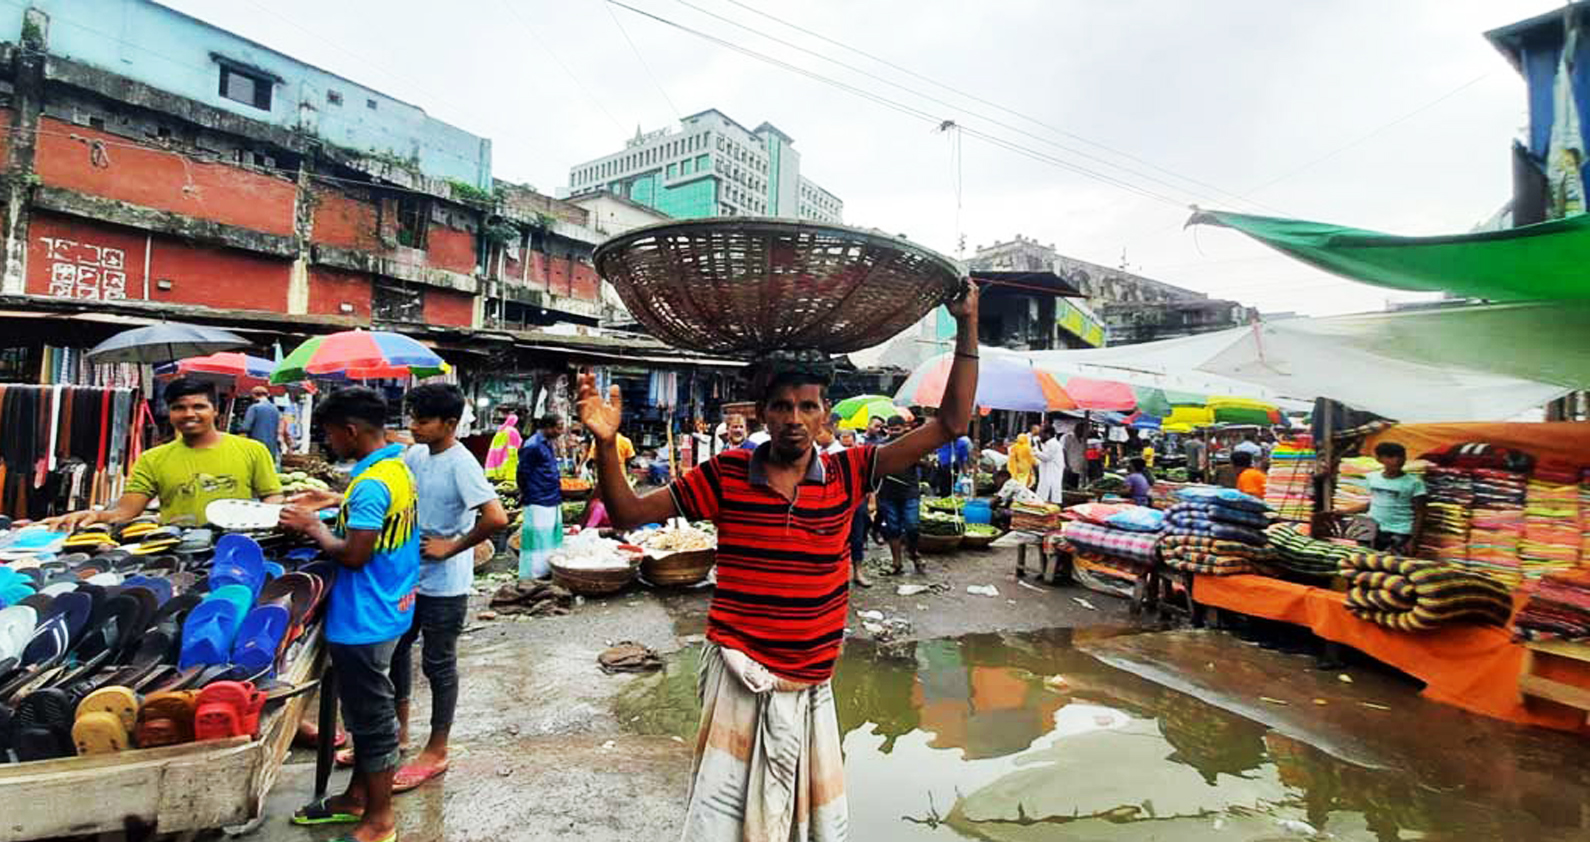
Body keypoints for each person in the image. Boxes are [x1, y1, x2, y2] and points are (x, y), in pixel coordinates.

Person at [579, 285, 978, 841]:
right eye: (782, 406)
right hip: (739, 680)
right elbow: (625, 514)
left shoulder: (851, 472)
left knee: (801, 829)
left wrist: (967, 324)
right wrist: (605, 444)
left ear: (824, 417)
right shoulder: (725, 475)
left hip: (812, 683)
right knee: (724, 829)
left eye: (807, 406)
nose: (794, 418)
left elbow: (953, 422)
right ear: (762, 412)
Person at [280, 386, 419, 842]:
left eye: (329, 433)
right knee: (364, 713)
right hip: (392, 604)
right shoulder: (395, 468)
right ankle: (358, 795)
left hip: (365, 616)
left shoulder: (372, 484)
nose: (328, 442)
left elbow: (355, 554)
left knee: (371, 719)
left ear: (351, 431)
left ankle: (379, 822)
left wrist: (314, 526)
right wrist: (335, 503)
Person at [391, 384, 508, 793]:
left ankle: (437, 749)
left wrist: (451, 546)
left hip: (446, 583)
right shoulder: (415, 454)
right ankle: (398, 733)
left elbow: (496, 517)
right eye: (413, 419)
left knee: (438, 664)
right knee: (398, 651)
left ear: (450, 424)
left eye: (422, 421)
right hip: (410, 577)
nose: (414, 427)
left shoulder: (462, 463)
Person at [51, 377, 282, 529]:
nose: (189, 414)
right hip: (176, 551)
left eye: (199, 406)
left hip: (235, 546)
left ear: (216, 411)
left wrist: (263, 520)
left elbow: (271, 495)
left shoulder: (252, 450)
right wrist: (96, 515)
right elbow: (126, 511)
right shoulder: (153, 459)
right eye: (179, 407)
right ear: (170, 413)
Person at [1339, 441, 1428, 554]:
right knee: (1366, 562)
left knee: (1391, 565)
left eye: (1401, 456)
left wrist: (1414, 540)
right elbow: (1375, 502)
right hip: (1371, 529)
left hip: (1399, 531)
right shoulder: (1372, 477)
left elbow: (1420, 513)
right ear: (1379, 459)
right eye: (1390, 456)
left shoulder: (1415, 483)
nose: (1397, 460)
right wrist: (1345, 511)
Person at [876, 415, 927, 576]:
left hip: (910, 492)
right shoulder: (881, 446)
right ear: (886, 430)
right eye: (891, 430)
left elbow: (928, 463)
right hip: (887, 493)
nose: (894, 433)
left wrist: (913, 456)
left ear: (905, 428)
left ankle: (913, 553)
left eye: (897, 430)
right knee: (893, 528)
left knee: (912, 526)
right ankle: (896, 563)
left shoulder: (913, 443)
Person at [517, 414, 565, 580]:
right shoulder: (532, 446)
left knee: (549, 537)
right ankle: (533, 575)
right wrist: (526, 492)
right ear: (548, 427)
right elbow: (523, 473)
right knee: (538, 538)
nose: (561, 431)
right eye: (559, 427)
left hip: (551, 495)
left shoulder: (547, 443)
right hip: (538, 498)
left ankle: (546, 570)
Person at [241, 386, 284, 467]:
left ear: (253, 395)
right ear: (267, 395)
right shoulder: (275, 409)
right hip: (271, 447)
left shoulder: (254, 407)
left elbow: (246, 427)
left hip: (256, 444)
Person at [1033, 425, 1065, 504]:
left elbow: (1046, 457)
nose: (1039, 435)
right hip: (1048, 471)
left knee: (1049, 491)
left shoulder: (1052, 444)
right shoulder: (1048, 443)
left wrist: (1034, 452)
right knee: (1045, 489)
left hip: (1052, 472)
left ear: (1048, 434)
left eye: (1041, 433)